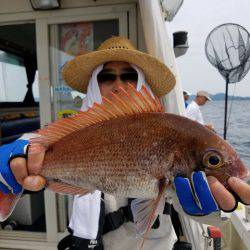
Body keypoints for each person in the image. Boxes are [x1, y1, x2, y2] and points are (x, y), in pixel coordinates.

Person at [0, 37, 250, 250]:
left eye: (129, 75)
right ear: (94, 84)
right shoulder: (75, 131)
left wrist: (212, 212)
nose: (119, 85)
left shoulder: (174, 129)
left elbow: (182, 205)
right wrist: (17, 157)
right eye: (107, 77)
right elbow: (35, 144)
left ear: (140, 80)